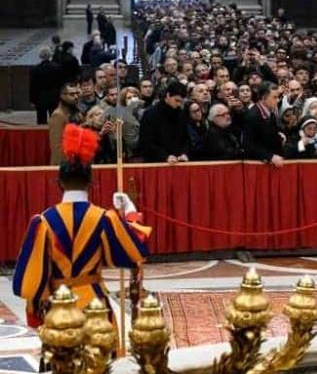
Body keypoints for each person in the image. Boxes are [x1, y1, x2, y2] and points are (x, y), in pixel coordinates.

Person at [12, 123, 150, 330]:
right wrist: (129, 210)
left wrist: (35, 311)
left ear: (59, 183)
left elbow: (30, 282)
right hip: (96, 308)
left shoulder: (42, 222)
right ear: (91, 183)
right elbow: (136, 250)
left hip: (58, 309)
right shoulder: (105, 218)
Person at [138, 81, 189, 164]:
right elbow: (146, 141)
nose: (179, 104)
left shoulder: (181, 113)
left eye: (181, 101)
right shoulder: (150, 114)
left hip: (178, 161)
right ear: (168, 95)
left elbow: (185, 138)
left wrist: (184, 153)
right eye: (176, 100)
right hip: (156, 163)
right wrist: (165, 156)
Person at [242, 81, 286, 166]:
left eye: (278, 97)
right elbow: (248, 145)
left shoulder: (271, 113)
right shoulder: (252, 116)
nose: (277, 100)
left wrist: (279, 136)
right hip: (256, 165)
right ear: (264, 97)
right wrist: (270, 156)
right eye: (275, 97)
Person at [49, 83, 83, 165]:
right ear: (62, 96)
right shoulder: (58, 115)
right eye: (71, 94)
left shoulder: (77, 113)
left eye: (77, 93)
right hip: (64, 165)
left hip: (78, 161)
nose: (76, 97)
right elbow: (57, 146)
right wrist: (65, 166)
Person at [29, 47, 63, 125]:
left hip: (40, 98)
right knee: (55, 119)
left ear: (40, 56)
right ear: (50, 55)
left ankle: (41, 136)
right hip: (54, 97)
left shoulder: (35, 69)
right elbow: (60, 84)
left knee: (41, 120)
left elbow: (33, 87)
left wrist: (32, 100)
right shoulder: (57, 67)